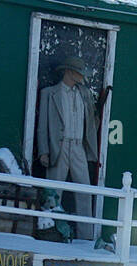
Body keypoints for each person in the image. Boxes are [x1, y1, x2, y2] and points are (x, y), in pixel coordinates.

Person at [36, 56, 100, 239]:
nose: (81, 77)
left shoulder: (84, 94)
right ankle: (50, 232)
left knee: (84, 192)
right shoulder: (50, 93)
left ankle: (86, 237)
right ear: (69, 72)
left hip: (79, 146)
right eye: (78, 72)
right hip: (60, 146)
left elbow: (90, 121)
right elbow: (42, 126)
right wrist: (44, 151)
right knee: (53, 193)